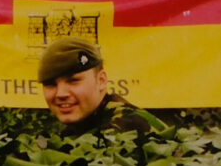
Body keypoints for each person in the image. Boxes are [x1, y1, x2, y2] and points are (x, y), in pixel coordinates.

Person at [37, 36, 166, 136]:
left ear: (101, 80)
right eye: (50, 84)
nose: (61, 93)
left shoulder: (125, 127)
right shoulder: (79, 127)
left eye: (73, 81)